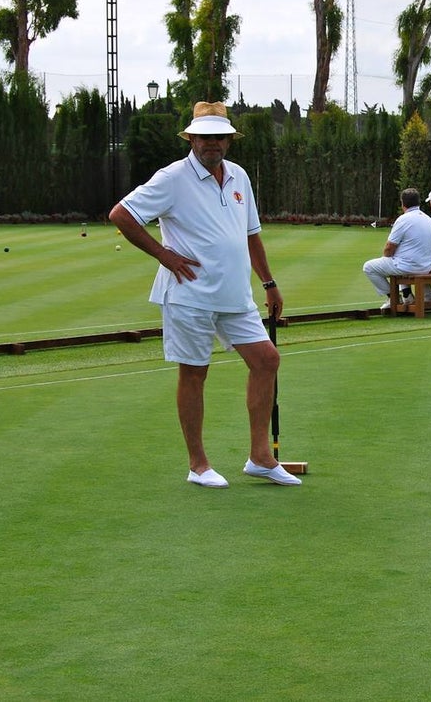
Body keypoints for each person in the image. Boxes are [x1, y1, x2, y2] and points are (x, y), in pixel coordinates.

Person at [108, 101, 300, 488]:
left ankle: (260, 458)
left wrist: (268, 281)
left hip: (235, 294)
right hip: (188, 295)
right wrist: (163, 254)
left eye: (219, 136)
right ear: (191, 138)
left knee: (266, 360)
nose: (212, 142)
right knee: (194, 374)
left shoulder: (239, 177)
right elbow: (121, 215)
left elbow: (250, 235)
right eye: (205, 136)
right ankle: (198, 464)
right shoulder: (172, 178)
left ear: (229, 140)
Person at [362, 187, 431, 310]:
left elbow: (389, 248)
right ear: (418, 202)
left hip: (409, 266)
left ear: (403, 203)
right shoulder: (428, 218)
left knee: (368, 267)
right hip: (427, 266)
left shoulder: (403, 219)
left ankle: (393, 298)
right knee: (398, 260)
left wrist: (385, 260)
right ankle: (407, 295)